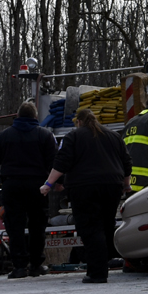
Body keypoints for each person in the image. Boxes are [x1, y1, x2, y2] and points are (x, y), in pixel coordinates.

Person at [43, 108, 131, 284]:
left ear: (79, 122)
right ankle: (102, 265)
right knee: (106, 226)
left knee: (91, 228)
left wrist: (48, 184)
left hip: (84, 187)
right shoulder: (114, 136)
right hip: (112, 185)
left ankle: (97, 272)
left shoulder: (74, 137)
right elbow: (126, 163)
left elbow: (62, 162)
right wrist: (126, 185)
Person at [0, 99, 56, 279]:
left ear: (17, 116)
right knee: (37, 226)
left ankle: (19, 266)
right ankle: (36, 264)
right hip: (38, 186)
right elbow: (54, 161)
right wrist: (57, 182)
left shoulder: (3, 136)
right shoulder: (45, 135)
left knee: (15, 227)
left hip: (12, 185)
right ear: (35, 116)